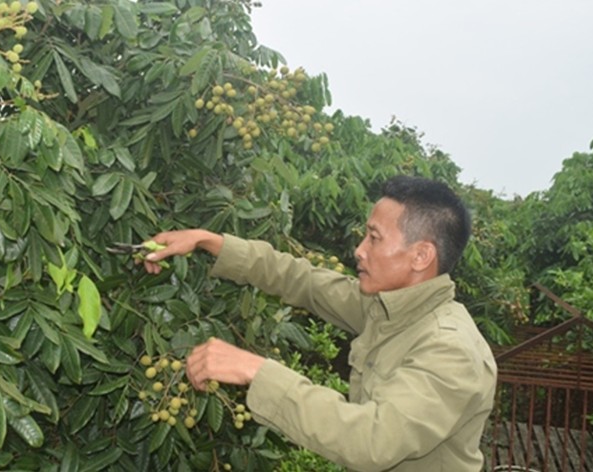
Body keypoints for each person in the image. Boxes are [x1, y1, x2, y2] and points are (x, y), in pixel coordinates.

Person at [142, 175, 497, 472]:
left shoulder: (451, 349)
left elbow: (371, 440)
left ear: (421, 256)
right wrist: (208, 241)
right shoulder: (391, 308)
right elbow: (305, 282)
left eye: (374, 238)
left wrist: (256, 370)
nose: (359, 250)